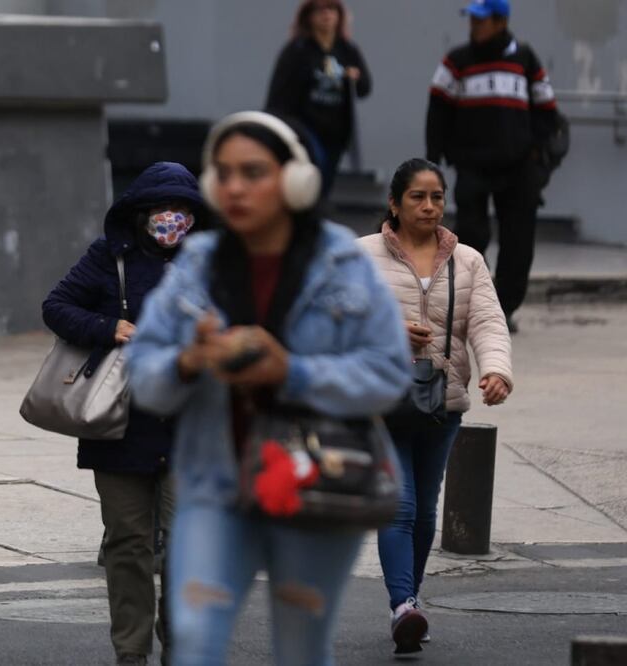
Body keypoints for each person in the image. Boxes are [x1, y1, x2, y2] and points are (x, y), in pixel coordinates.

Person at [125, 112, 411, 666]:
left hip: (313, 485)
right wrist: (189, 360)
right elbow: (143, 375)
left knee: (301, 649)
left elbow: (388, 374)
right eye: (223, 173)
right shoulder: (197, 264)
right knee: (195, 642)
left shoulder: (341, 262)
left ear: (294, 180)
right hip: (215, 487)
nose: (233, 187)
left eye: (252, 172)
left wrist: (292, 371)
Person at [42, 161, 209, 666]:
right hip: (118, 425)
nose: (172, 219)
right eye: (162, 209)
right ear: (139, 213)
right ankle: (131, 651)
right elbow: (56, 306)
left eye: (182, 210)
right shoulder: (108, 256)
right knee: (128, 544)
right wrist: (109, 326)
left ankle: (180, 647)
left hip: (191, 429)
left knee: (188, 546)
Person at [358, 158, 513, 655]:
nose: (428, 206)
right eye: (417, 197)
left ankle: (410, 600)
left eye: (437, 197)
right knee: (399, 505)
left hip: (441, 403)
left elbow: (487, 321)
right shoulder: (360, 257)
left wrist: (496, 370)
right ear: (394, 204)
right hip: (381, 401)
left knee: (425, 511)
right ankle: (402, 604)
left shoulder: (466, 260)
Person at [426, 0, 558, 333]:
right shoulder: (456, 61)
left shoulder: (524, 59)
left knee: (518, 241)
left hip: (518, 169)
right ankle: (477, 304)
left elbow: (547, 110)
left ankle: (505, 307)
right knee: (469, 237)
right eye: (471, 19)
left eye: (480, 20)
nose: (473, 26)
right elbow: (438, 109)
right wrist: (435, 158)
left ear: (500, 22)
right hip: (472, 166)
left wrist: (533, 151)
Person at [265, 0, 371, 201]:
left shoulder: (347, 49)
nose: (327, 15)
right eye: (320, 10)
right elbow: (278, 93)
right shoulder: (297, 50)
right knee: (311, 176)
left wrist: (356, 78)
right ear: (309, 17)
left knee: (325, 182)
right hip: (305, 128)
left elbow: (365, 88)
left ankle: (315, 220)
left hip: (336, 131)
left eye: (332, 9)